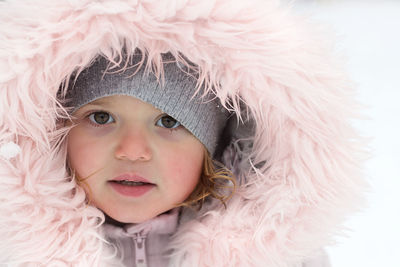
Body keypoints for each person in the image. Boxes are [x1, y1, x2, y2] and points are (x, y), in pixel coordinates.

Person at [0, 0, 366, 266]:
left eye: (169, 122)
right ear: (53, 131)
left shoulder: (276, 257)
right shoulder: (17, 252)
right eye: (101, 118)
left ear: (214, 148)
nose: (132, 150)